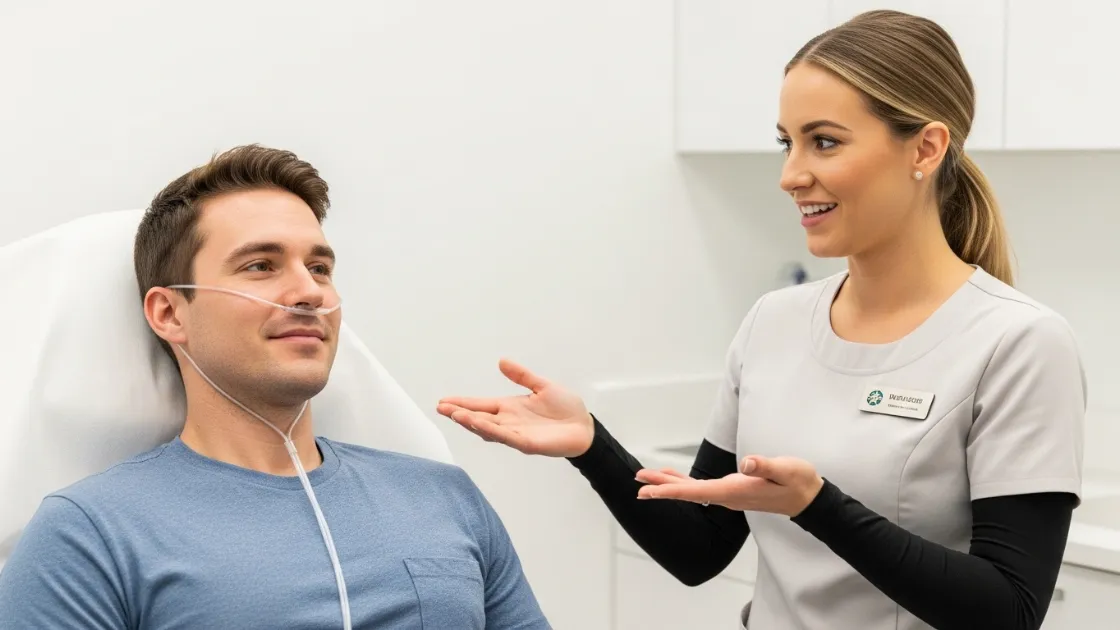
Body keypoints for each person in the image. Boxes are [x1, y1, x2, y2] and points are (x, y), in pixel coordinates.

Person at [438, 10, 1085, 630]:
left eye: (824, 141)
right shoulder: (773, 322)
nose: (791, 174)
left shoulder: (1017, 343)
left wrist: (817, 506)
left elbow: (1008, 610)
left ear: (926, 148)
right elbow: (703, 548)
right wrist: (591, 446)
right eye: (787, 142)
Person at [0, 145, 550, 630]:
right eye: (261, 265)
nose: (307, 291)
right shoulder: (89, 536)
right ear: (169, 312)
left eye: (320, 267)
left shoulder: (445, 499)